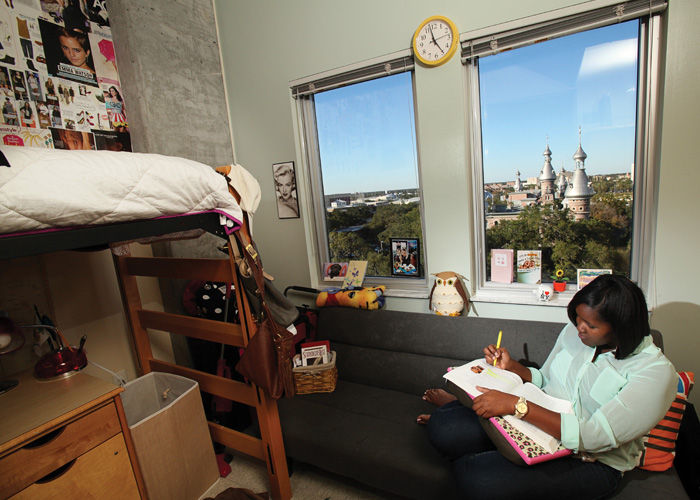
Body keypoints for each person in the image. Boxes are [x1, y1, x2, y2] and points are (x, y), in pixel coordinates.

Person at [418, 274, 677, 499]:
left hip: (591, 460)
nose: (580, 329)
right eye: (577, 319)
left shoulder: (655, 374)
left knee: (474, 477)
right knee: (444, 427)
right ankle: (492, 440)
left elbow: (595, 437)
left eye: (591, 325)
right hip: (537, 424)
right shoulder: (575, 333)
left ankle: (490, 450)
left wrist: (517, 407)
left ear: (622, 326)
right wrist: (512, 368)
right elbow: (543, 379)